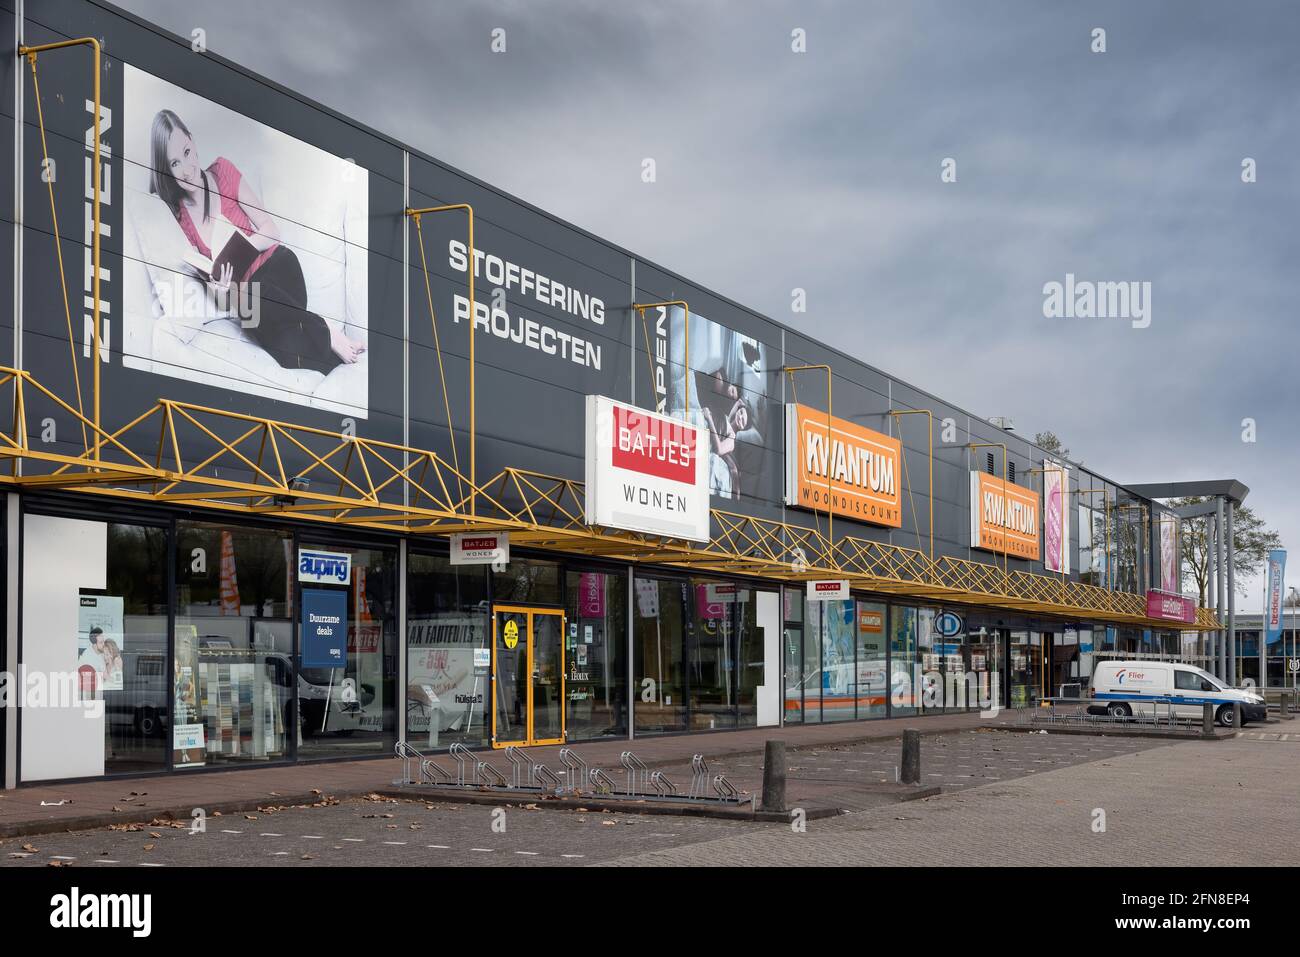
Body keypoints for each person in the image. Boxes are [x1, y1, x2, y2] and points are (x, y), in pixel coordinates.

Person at [148, 109, 364, 373]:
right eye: (174, 164)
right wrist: (220, 286)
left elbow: (271, 230)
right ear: (166, 170)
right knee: (285, 352)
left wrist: (244, 248)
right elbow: (216, 289)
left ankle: (323, 328)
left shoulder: (222, 172)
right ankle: (330, 342)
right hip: (251, 305)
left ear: (193, 142)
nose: (186, 169)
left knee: (258, 296)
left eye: (186, 153)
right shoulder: (181, 218)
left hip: (278, 270)